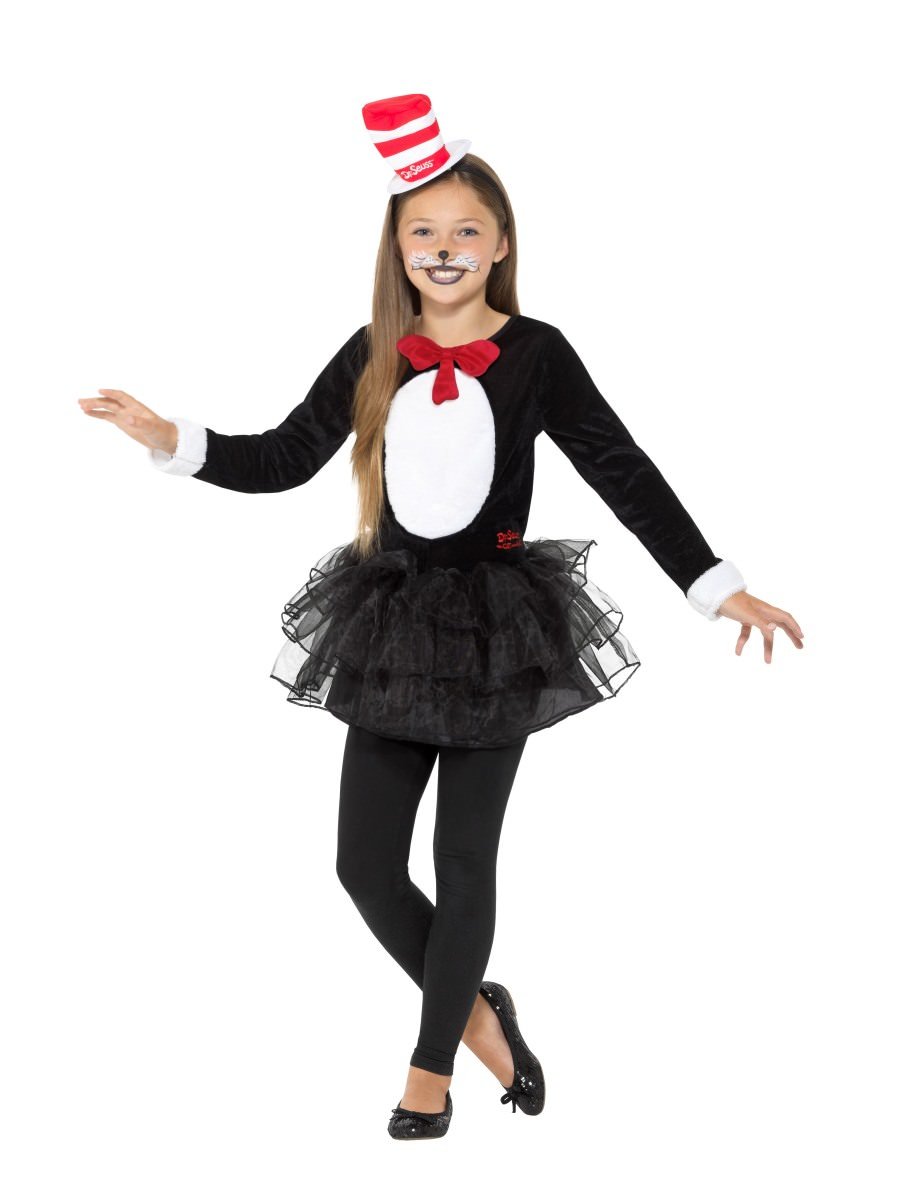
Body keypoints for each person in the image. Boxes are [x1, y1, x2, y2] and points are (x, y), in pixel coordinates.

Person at [77, 92, 804, 1141]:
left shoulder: (539, 353)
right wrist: (171, 438)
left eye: (467, 230)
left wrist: (714, 583)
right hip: (391, 623)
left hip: (501, 630)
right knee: (364, 867)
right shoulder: (375, 348)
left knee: (464, 863)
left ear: (501, 244)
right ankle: (476, 1013)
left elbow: (623, 471)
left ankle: (430, 1072)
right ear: (398, 246)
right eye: (424, 230)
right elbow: (282, 459)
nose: (445, 248)